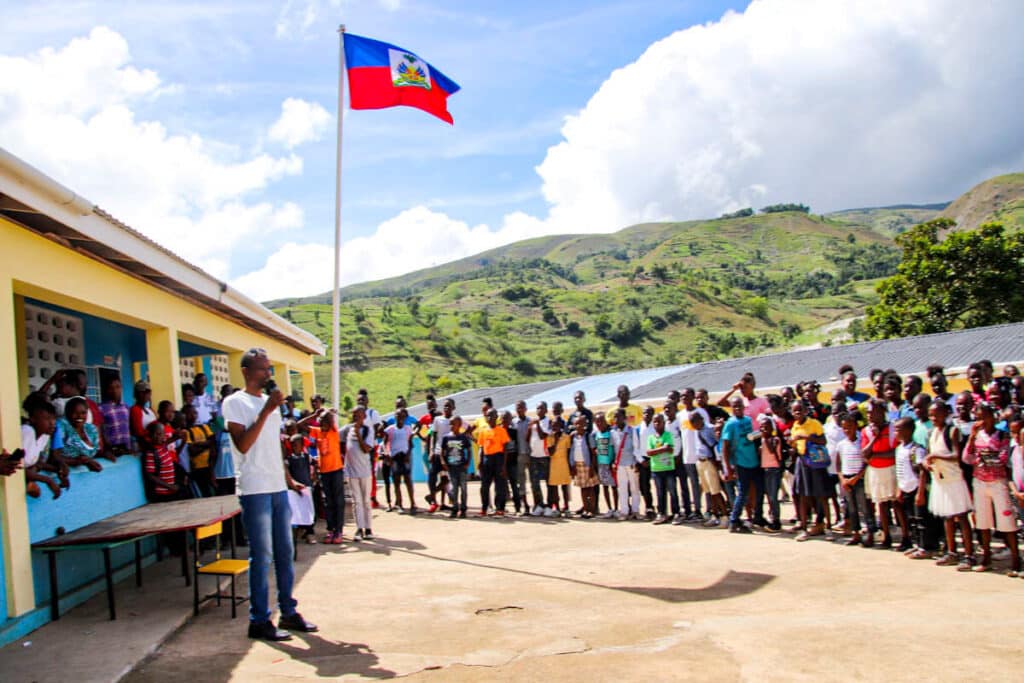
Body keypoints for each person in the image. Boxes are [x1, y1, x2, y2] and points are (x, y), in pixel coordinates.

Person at [222, 348, 316, 641]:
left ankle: (288, 612)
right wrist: (266, 411)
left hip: (277, 486)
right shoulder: (235, 403)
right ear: (247, 371)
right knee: (261, 556)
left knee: (286, 553)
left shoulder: (269, 404)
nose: (269, 374)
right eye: (263, 369)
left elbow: (273, 447)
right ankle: (259, 620)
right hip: (254, 489)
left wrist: (288, 479)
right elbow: (243, 444)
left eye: (269, 368)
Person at [963, 402, 1020, 574]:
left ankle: (1016, 559)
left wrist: (981, 459)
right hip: (980, 482)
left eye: (984, 416)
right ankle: (986, 556)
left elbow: (1002, 459)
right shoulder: (976, 436)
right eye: (978, 417)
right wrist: (973, 439)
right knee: (983, 522)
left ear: (993, 417)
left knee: (1007, 523)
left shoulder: (1002, 435)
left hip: (998, 482)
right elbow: (967, 457)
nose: (981, 421)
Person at [924, 400, 974, 570]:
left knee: (961, 517)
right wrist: (928, 462)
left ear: (945, 414)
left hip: (954, 480)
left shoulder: (952, 431)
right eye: (930, 415)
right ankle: (952, 551)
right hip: (940, 479)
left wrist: (936, 455)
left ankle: (969, 555)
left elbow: (955, 455)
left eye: (936, 414)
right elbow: (928, 455)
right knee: (947, 517)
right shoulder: (932, 433)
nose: (933, 418)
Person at [861, 399, 905, 549]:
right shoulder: (867, 431)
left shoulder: (893, 429)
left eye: (871, 411)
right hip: (876, 472)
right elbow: (865, 454)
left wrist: (876, 455)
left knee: (897, 504)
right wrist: (875, 438)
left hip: (892, 470)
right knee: (882, 506)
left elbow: (895, 452)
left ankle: (906, 537)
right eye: (867, 412)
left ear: (881, 412)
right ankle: (887, 537)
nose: (868, 414)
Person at [835, 412, 874, 547]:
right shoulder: (841, 444)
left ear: (856, 426)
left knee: (865, 507)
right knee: (851, 508)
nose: (847, 430)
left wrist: (856, 477)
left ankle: (870, 534)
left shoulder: (861, 442)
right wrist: (842, 479)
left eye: (850, 426)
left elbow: (866, 462)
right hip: (846, 479)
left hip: (859, 479)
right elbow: (838, 464)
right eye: (844, 427)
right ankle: (855, 533)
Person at [722, 396, 759, 534]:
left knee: (757, 490)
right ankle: (734, 520)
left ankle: (756, 516)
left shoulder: (748, 420)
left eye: (739, 406)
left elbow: (752, 436)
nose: (737, 408)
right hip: (740, 462)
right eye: (734, 406)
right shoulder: (730, 424)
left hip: (753, 461)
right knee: (743, 492)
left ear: (744, 407)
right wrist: (728, 467)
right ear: (731, 408)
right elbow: (725, 446)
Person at [307, 409, 345, 544]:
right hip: (324, 472)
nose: (323, 423)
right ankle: (331, 529)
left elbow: (331, 419)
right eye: (321, 421)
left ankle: (339, 530)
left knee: (338, 501)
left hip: (336, 470)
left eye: (325, 420)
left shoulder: (333, 432)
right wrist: (314, 415)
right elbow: (301, 426)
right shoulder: (317, 432)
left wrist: (328, 413)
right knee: (328, 502)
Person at [21, 394, 65, 499]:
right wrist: (48, 480)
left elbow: (36, 463)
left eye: (53, 419)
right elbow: (17, 468)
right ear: (33, 419)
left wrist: (59, 471)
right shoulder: (27, 432)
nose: (52, 423)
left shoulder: (44, 435)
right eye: (47, 419)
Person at [893, 417, 925, 553]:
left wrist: (920, 492)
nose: (896, 433)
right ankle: (914, 544)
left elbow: (922, 471)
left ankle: (923, 546)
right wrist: (899, 488)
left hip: (915, 488)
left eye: (898, 430)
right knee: (910, 518)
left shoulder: (917, 449)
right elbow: (899, 470)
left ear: (909, 431)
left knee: (920, 520)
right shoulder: (899, 448)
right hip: (904, 487)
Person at [344, 406, 375, 541]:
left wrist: (358, 434)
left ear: (364, 417)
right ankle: (359, 528)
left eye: (358, 415)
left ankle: (368, 528)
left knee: (366, 501)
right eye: (354, 415)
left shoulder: (368, 430)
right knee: (356, 502)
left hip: (364, 471)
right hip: (352, 472)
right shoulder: (348, 429)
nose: (355, 417)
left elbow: (366, 449)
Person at [692, 412, 727, 526]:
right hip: (700, 461)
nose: (693, 424)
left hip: (709, 462)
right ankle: (715, 515)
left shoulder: (710, 429)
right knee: (709, 491)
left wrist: (717, 462)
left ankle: (725, 516)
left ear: (701, 419)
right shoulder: (697, 431)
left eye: (695, 421)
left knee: (715, 490)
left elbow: (717, 445)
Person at [645, 413, 678, 525]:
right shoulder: (651, 437)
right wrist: (663, 448)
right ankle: (662, 513)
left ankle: (676, 513)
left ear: (664, 423)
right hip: (656, 469)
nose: (657, 424)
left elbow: (670, 449)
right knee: (660, 493)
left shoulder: (668, 435)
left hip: (668, 468)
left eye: (659, 421)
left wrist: (656, 450)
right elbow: (649, 452)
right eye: (655, 422)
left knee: (672, 492)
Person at [476, 408, 509, 516]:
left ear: (496, 417)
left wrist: (504, 465)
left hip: (498, 458)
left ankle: (500, 508)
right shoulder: (483, 431)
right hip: (486, 459)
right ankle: (484, 507)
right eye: (488, 416)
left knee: (500, 485)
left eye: (492, 415)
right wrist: (480, 461)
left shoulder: (501, 431)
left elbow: (505, 449)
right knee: (484, 485)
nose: (490, 418)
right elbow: (481, 447)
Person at [58, 396, 106, 471]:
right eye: (75, 413)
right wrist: (79, 461)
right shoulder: (62, 426)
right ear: (67, 413)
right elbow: (54, 457)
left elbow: (95, 452)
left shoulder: (90, 429)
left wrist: (106, 453)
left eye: (83, 413)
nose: (80, 416)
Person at [384, 407, 417, 513]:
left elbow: (410, 443)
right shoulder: (390, 430)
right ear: (395, 417)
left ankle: (413, 503)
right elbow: (385, 443)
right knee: (396, 482)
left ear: (405, 417)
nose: (400, 417)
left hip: (404, 457)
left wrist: (408, 454)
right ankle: (400, 504)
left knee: (408, 481)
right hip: (395, 457)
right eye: (398, 415)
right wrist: (387, 454)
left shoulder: (408, 429)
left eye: (402, 416)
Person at [285, 434, 316, 545]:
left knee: (309, 510)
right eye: (292, 445)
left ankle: (309, 533)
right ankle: (298, 531)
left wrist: (314, 477)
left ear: (302, 445)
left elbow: (315, 465)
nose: (294, 447)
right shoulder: (288, 460)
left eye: (296, 445)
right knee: (296, 511)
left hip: (306, 488)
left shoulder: (307, 457)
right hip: (294, 489)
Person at [440, 415, 472, 518]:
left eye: (453, 423)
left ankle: (463, 509)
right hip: (451, 467)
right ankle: (454, 508)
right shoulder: (446, 437)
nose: (451, 425)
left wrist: (468, 462)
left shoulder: (463, 437)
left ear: (459, 424)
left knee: (463, 488)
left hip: (462, 467)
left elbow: (469, 450)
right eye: (450, 423)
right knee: (454, 489)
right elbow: (442, 451)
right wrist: (443, 461)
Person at [612, 408, 640, 520]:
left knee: (634, 488)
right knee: (622, 488)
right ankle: (624, 511)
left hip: (631, 463)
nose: (616, 419)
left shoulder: (631, 430)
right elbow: (613, 448)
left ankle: (635, 510)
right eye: (614, 417)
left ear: (624, 418)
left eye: (618, 416)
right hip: (619, 464)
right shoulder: (613, 432)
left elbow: (636, 447)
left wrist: (636, 461)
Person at [757, 414, 784, 533]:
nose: (763, 429)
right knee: (768, 495)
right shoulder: (762, 440)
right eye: (761, 427)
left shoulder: (775, 440)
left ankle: (776, 521)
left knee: (773, 496)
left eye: (766, 427)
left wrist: (764, 439)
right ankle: (772, 517)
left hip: (774, 470)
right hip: (765, 469)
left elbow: (773, 452)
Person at [570, 414, 600, 518]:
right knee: (583, 488)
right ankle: (586, 508)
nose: (579, 426)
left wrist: (592, 466)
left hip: (587, 465)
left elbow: (593, 453)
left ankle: (591, 509)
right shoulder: (573, 437)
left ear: (585, 425)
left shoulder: (588, 437)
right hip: (577, 465)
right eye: (577, 423)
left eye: (581, 424)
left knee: (590, 488)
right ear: (574, 425)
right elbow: (571, 451)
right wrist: (572, 465)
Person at [184, 404, 215, 497]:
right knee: (203, 492)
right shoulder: (186, 431)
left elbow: (213, 441)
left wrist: (197, 444)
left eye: (195, 413)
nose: (193, 416)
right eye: (190, 414)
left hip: (210, 464)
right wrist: (207, 444)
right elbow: (192, 451)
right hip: (198, 467)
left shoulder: (203, 427)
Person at [528, 402, 553, 516]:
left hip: (544, 456)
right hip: (533, 456)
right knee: (534, 483)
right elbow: (527, 438)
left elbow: (543, 436)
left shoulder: (548, 422)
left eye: (541, 408)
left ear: (546, 410)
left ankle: (549, 506)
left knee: (548, 482)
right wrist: (529, 427)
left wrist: (537, 424)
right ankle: (540, 505)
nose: (539, 410)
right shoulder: (533, 423)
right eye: (537, 408)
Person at [547, 416, 573, 517]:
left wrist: (570, 466)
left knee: (564, 486)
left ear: (561, 425)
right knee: (554, 488)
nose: (555, 427)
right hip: (554, 464)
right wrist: (556, 440)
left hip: (564, 464)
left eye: (557, 425)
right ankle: (556, 508)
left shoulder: (566, 437)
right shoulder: (549, 437)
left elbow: (569, 451)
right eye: (553, 425)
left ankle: (566, 507)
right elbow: (551, 453)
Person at [99, 376, 131, 456]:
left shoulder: (126, 407)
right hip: (112, 451)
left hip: (126, 450)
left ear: (121, 388)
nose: (115, 391)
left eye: (117, 387)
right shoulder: (101, 408)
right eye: (111, 388)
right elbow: (100, 430)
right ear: (107, 390)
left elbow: (129, 428)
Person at [593, 412, 617, 518]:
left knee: (614, 487)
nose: (599, 423)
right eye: (597, 421)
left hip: (610, 464)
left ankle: (616, 508)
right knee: (605, 487)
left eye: (601, 421)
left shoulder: (610, 433)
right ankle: (609, 509)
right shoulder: (596, 434)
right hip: (601, 464)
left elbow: (614, 449)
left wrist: (613, 462)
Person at [636, 405, 657, 517]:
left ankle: (662, 509)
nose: (646, 415)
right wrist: (641, 460)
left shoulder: (656, 427)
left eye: (649, 412)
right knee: (644, 485)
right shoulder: (638, 428)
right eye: (644, 412)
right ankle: (649, 506)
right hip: (643, 460)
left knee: (659, 485)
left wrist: (653, 458)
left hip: (655, 459)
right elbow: (636, 447)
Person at [129, 381, 157, 450]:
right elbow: (139, 433)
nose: (149, 395)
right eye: (147, 392)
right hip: (146, 446)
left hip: (154, 444)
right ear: (140, 394)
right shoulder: (135, 410)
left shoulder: (150, 410)